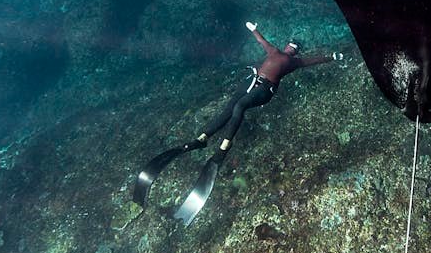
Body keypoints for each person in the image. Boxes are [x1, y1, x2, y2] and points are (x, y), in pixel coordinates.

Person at [133, 22, 342, 225]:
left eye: (294, 47)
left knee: (240, 106)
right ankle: (202, 138)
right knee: (229, 107)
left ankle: (223, 148)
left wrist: (331, 57)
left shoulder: (294, 62)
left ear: (295, 52)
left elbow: (313, 60)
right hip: (253, 82)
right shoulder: (275, 51)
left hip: (265, 89)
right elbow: (262, 41)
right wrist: (253, 29)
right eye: (290, 44)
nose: (291, 47)